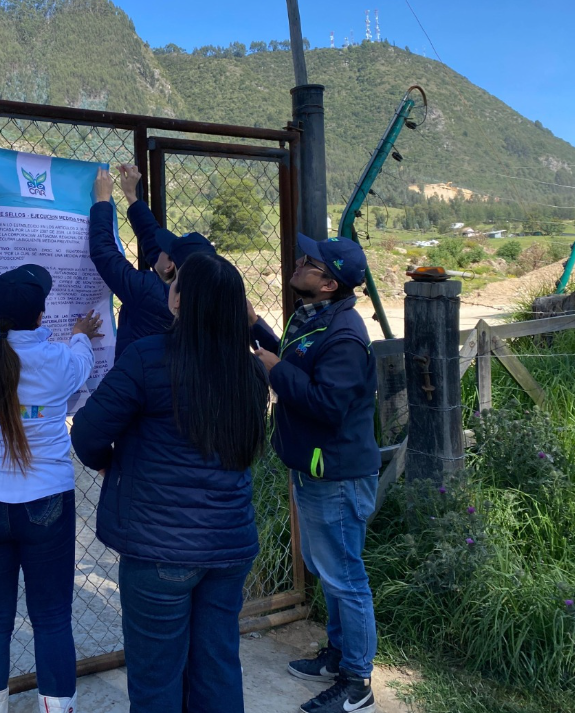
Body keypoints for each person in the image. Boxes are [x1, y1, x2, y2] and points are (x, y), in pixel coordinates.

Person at [70, 252, 270, 713]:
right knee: (218, 667)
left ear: (180, 302)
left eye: (174, 282)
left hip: (161, 550)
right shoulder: (251, 370)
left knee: (157, 678)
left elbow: (87, 434)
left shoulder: (148, 357)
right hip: (229, 545)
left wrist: (110, 463)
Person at [0, 266, 103, 713]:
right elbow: (84, 361)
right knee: (53, 618)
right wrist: (79, 333)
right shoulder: (57, 359)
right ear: (42, 316)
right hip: (46, 500)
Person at [253, 234, 379, 713]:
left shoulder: (345, 336)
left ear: (328, 284)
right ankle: (339, 654)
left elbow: (327, 404)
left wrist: (274, 371)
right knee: (331, 572)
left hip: (337, 478)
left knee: (346, 577)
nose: (299, 261)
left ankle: (357, 684)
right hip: (315, 472)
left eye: (310, 262)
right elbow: (298, 358)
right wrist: (258, 328)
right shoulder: (315, 318)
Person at [87, 165, 215, 360]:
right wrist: (131, 196)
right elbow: (151, 239)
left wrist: (102, 201)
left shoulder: (149, 291)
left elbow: (105, 255)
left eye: (165, 249)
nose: (157, 250)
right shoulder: (207, 297)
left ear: (170, 266)